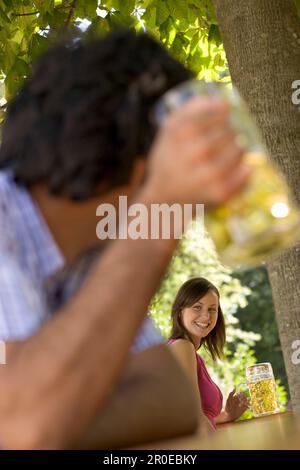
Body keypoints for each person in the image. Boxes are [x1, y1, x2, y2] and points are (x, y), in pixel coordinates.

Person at [0, 29, 249, 449]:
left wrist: (52, 417)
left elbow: (172, 401)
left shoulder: (89, 262)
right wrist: (158, 211)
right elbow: (25, 430)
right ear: (143, 162)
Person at [168, 278, 249, 428]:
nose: (206, 317)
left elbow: (198, 415)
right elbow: (192, 415)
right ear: (180, 311)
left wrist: (226, 415)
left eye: (212, 309)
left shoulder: (191, 353)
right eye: (197, 307)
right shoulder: (182, 347)